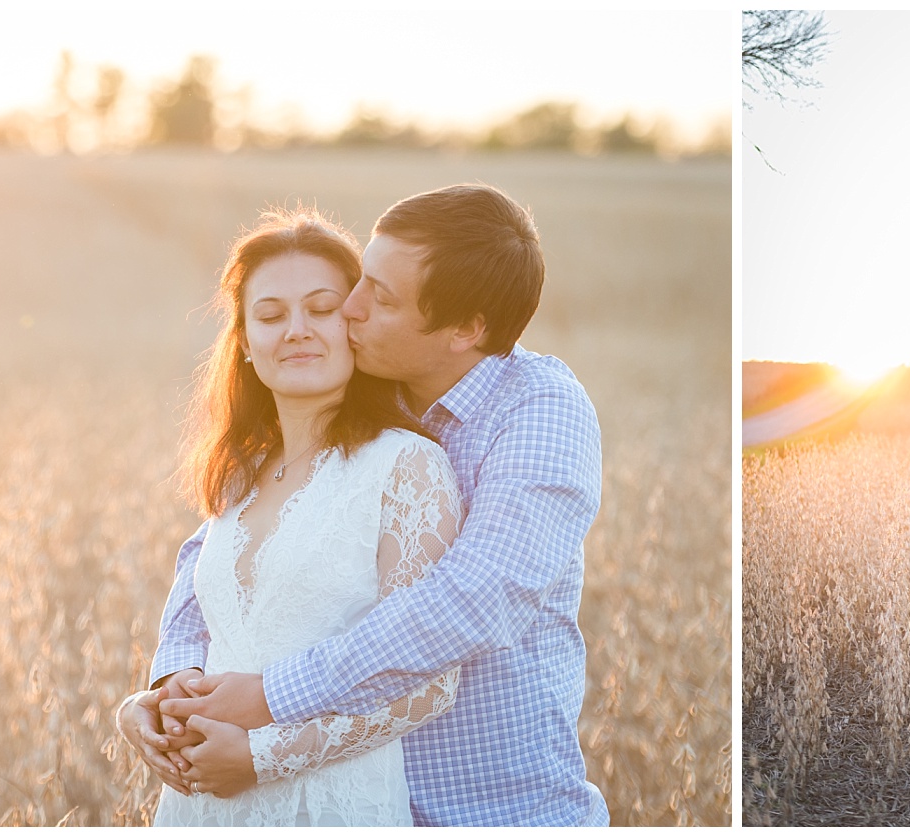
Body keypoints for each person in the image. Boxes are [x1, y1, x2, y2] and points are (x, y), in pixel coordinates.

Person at [118, 184, 608, 826]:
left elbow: (471, 602)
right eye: (362, 279)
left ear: (466, 330)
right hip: (329, 787)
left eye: (377, 296)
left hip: (489, 808)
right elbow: (214, 550)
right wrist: (168, 688)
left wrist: (265, 701)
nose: (348, 309)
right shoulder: (361, 392)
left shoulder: (539, 414)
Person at [127, 208, 465, 825]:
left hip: (330, 802)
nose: (297, 330)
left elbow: (427, 684)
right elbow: (208, 632)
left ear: (356, 324)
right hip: (201, 806)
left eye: (322, 308)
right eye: (272, 315)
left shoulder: (406, 467)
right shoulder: (237, 474)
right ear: (247, 345)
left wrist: (261, 757)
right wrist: (149, 705)